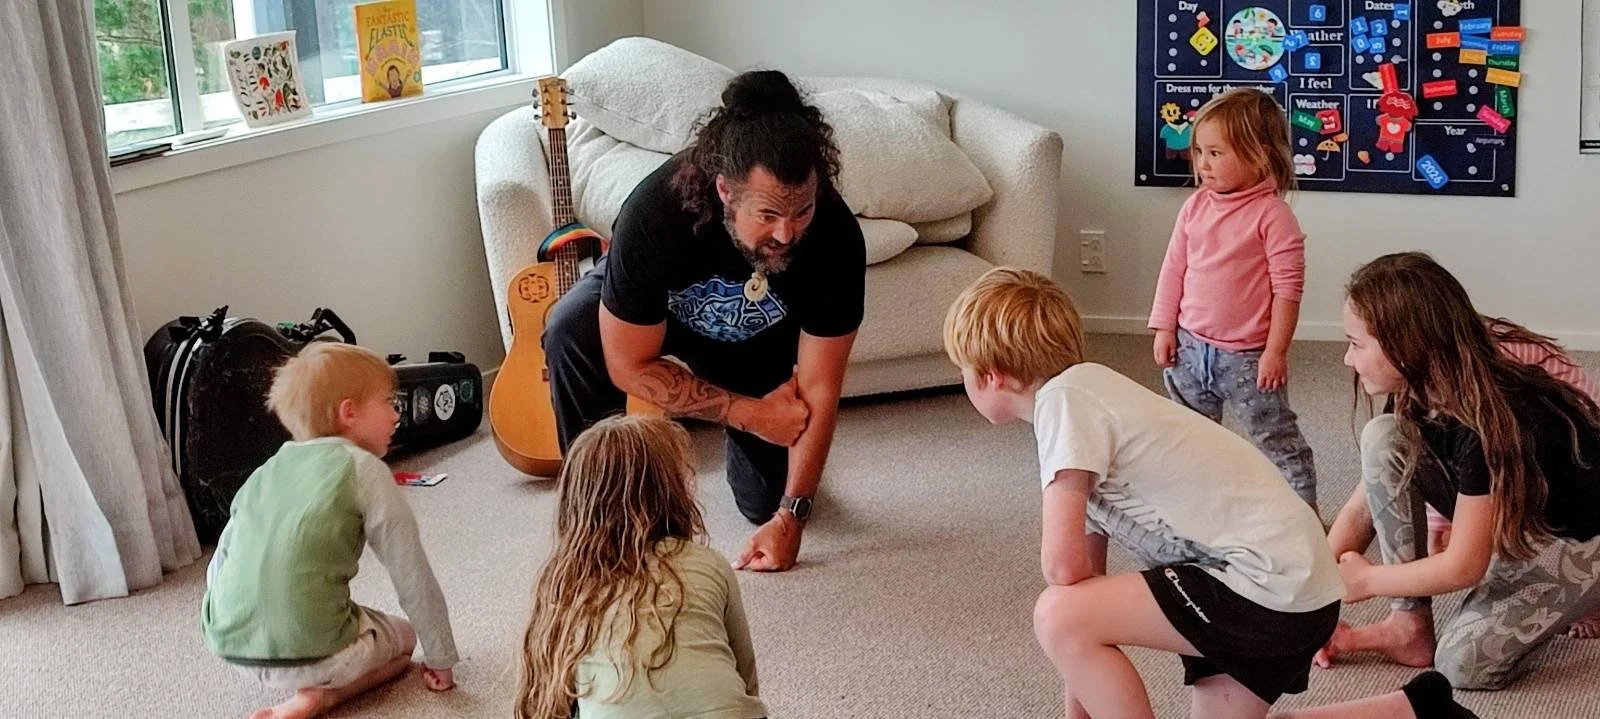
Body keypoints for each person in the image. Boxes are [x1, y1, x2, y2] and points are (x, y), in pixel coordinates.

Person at [945, 267, 1343, 719]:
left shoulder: (1064, 402)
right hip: (1302, 591)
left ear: (992, 376)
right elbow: (1082, 597)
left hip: (1265, 584)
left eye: (963, 369)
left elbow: (1061, 570)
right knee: (1069, 613)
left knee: (1053, 612)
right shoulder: (1088, 405)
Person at [542, 69, 865, 572]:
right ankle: (597, 511)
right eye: (768, 215)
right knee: (569, 328)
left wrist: (792, 515)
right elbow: (628, 365)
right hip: (661, 313)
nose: (787, 234)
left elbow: (821, 385)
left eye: (802, 211)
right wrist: (750, 414)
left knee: (766, 501)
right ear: (725, 191)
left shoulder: (835, 238)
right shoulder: (655, 213)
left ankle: (758, 471)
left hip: (756, 342)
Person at [1314, 253, 1600, 691]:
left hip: (1579, 541)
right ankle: (1408, 628)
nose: (1347, 360)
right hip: (1522, 522)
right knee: (1384, 437)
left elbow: (1464, 566)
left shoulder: (1490, 422)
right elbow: (1362, 506)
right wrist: (1304, 599)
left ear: (1405, 346)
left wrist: (1369, 579)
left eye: (1356, 344)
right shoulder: (1420, 386)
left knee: (1461, 665)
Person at [201, 343, 457, 719]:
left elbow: (219, 565)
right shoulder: (364, 469)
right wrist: (441, 657)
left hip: (229, 645)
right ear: (348, 412)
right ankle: (320, 699)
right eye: (389, 403)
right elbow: (411, 574)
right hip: (319, 656)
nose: (396, 415)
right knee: (404, 639)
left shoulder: (263, 473)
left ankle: (306, 676)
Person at [516, 415, 765, 719]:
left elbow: (544, 699)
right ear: (672, 492)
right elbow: (746, 675)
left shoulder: (565, 584)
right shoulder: (710, 563)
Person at [1149, 88, 1318, 508]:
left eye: (1215, 153)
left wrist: (1276, 351)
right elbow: (1173, 268)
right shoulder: (1194, 207)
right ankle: (1202, 513)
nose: (1202, 164)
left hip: (1246, 360)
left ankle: (1306, 520)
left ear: (1259, 156)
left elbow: (1287, 291)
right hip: (1189, 349)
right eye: (1198, 152)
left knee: (1276, 440)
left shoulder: (1273, 217)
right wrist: (1164, 326)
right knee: (1192, 439)